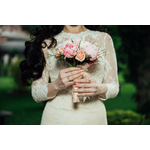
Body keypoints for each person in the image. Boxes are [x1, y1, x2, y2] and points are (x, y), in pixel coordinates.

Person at [20, 25, 119, 125]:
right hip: (56, 118)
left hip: (94, 118)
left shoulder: (104, 39)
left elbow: (114, 87)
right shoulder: (47, 43)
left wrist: (100, 88)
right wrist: (56, 84)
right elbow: (36, 93)